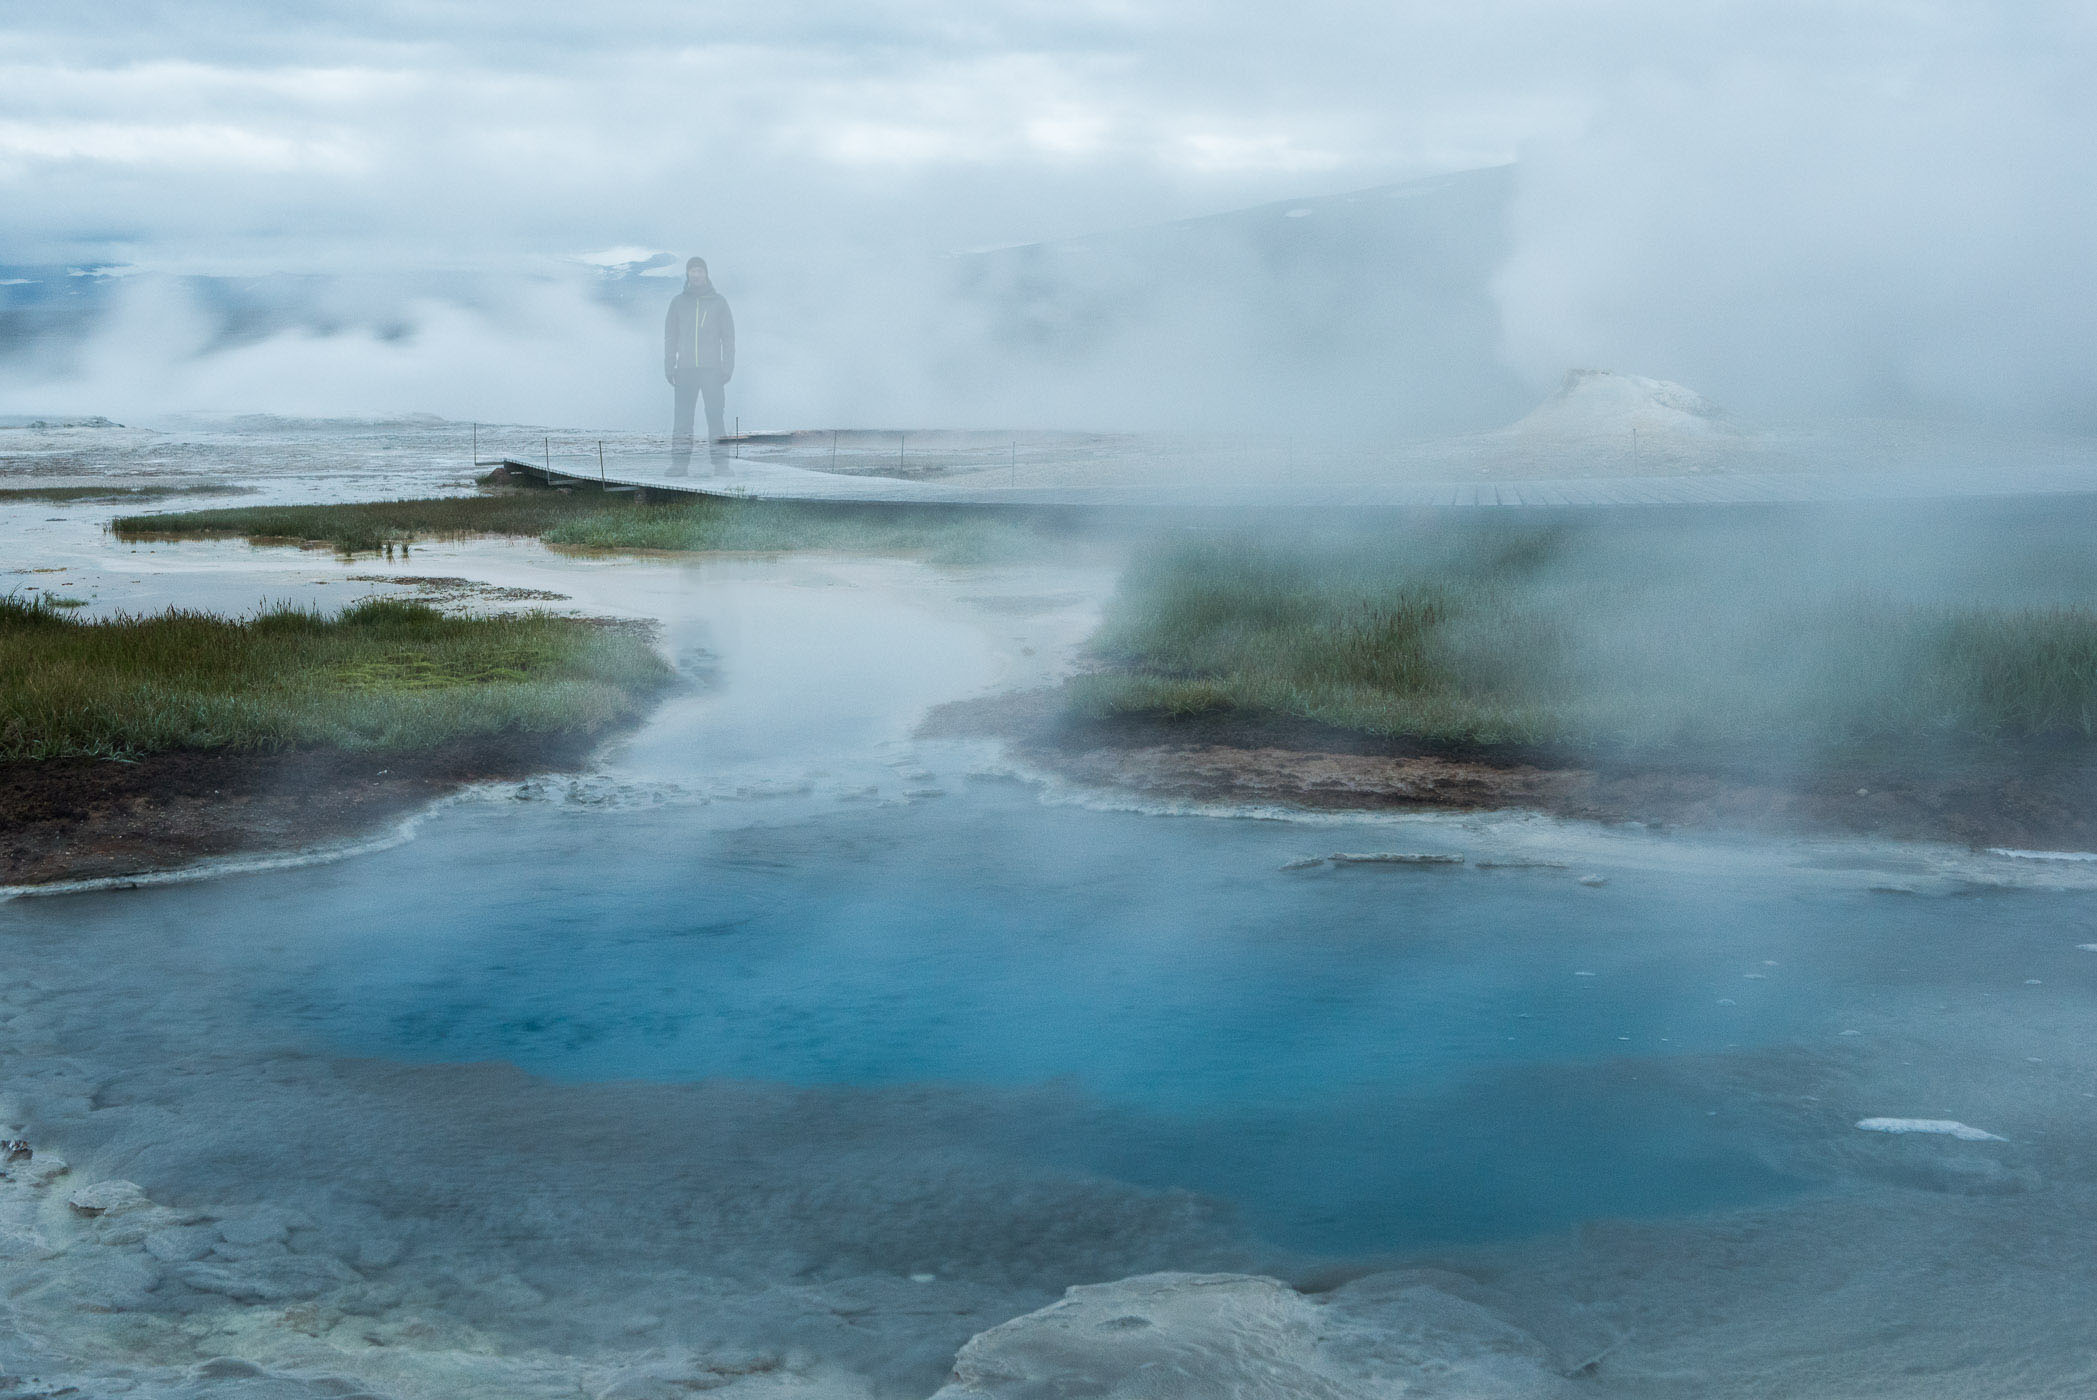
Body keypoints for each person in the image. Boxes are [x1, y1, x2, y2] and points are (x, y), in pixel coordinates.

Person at [663, 257, 734, 475]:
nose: (696, 274)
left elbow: (728, 337)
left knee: (715, 417)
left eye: (699, 270)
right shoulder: (678, 303)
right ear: (687, 274)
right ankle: (679, 464)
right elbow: (670, 337)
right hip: (685, 370)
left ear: (706, 274)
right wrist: (669, 365)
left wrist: (727, 366)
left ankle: (721, 465)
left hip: (712, 370)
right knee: (682, 420)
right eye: (692, 270)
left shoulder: (719, 302)